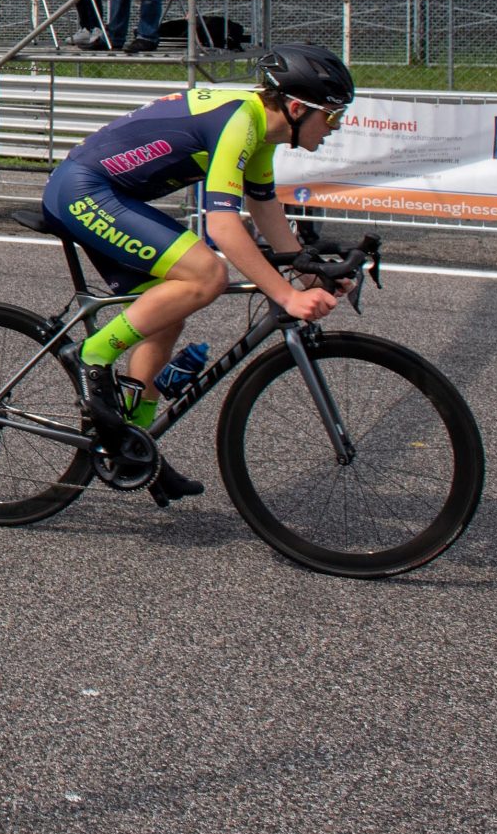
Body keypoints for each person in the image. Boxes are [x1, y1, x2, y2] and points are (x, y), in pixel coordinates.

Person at [42, 44, 356, 502]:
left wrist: (311, 275)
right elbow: (223, 228)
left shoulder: (261, 129)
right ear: (295, 108)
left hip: (105, 193)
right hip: (81, 190)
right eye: (331, 115)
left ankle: (134, 445)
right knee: (208, 274)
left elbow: (264, 208)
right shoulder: (239, 122)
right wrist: (287, 296)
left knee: (167, 315)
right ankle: (91, 354)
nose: (336, 126)